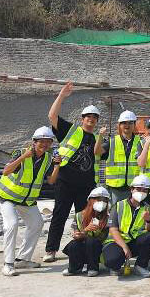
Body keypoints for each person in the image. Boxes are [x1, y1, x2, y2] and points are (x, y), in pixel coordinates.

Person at [44, 82, 100, 263]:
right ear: (82, 118)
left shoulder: (98, 139)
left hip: (86, 186)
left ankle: (80, 251)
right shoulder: (71, 130)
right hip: (65, 181)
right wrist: (61, 95)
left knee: (84, 219)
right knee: (59, 216)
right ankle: (51, 250)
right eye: (88, 116)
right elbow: (52, 116)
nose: (91, 119)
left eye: (94, 117)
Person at [0, 126, 60, 276]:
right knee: (12, 225)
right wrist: (23, 157)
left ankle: (23, 259)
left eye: (48, 142)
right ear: (34, 142)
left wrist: (57, 165)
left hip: (27, 201)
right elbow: (6, 171)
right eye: (41, 142)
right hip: (8, 197)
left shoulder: (48, 158)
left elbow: (51, 181)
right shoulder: (21, 152)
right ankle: (8, 263)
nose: (44, 145)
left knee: (37, 223)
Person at [102, 174, 150, 277]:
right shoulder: (119, 205)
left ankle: (140, 266)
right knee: (113, 260)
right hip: (117, 242)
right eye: (138, 189)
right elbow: (113, 230)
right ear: (131, 189)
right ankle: (116, 265)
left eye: (145, 190)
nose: (141, 192)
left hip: (134, 241)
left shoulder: (148, 208)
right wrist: (124, 247)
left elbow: (148, 230)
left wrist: (149, 220)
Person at [62, 186, 110, 276]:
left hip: (98, 249)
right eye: (98, 199)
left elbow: (104, 238)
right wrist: (84, 231)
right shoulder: (79, 215)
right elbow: (75, 234)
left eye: (104, 200)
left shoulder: (108, 218)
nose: (102, 203)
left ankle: (93, 268)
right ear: (90, 200)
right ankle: (74, 268)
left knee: (92, 241)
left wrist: (87, 234)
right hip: (83, 245)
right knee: (73, 244)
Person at [96, 110, 141, 205]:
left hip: (135, 188)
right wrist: (100, 136)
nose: (127, 125)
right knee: (116, 216)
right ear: (119, 125)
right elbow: (97, 152)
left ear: (134, 125)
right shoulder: (112, 141)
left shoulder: (140, 142)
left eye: (130, 123)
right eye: (124, 123)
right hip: (115, 189)